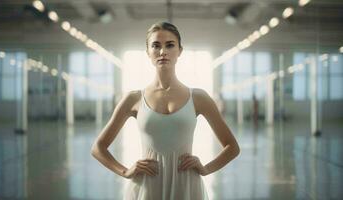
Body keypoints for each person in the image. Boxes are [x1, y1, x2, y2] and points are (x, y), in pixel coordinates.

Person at [91, 22, 240, 200]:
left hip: (186, 185)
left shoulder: (199, 97)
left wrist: (206, 169)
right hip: (147, 184)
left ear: (180, 50)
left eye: (170, 45)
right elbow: (98, 148)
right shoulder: (134, 99)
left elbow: (232, 147)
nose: (163, 52)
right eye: (156, 45)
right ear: (148, 52)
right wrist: (125, 171)